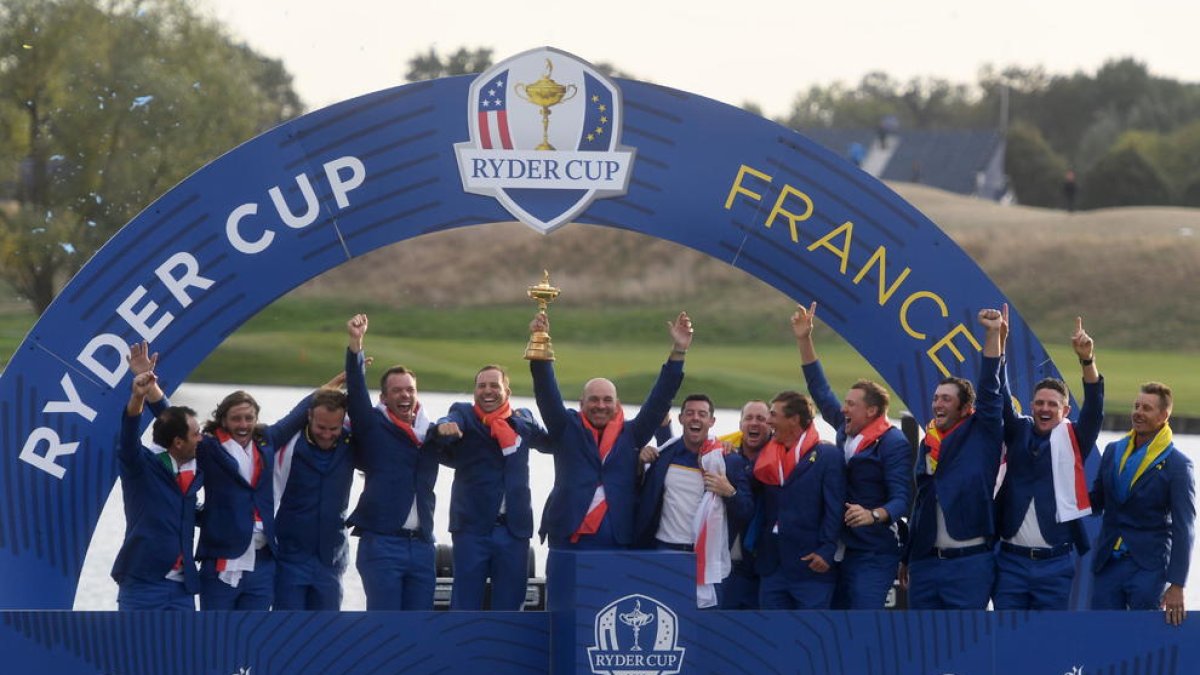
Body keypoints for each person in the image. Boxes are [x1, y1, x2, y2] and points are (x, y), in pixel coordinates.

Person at [530, 310, 692, 551]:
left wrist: (678, 352)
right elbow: (546, 393)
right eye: (594, 400)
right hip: (568, 537)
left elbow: (660, 400)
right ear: (581, 403)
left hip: (618, 539)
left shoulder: (632, 434)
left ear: (617, 405)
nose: (600, 406)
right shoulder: (566, 428)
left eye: (607, 400)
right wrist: (539, 344)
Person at [791, 302, 912, 609]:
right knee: (834, 625)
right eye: (844, 403)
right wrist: (805, 340)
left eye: (851, 404)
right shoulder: (847, 429)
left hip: (873, 552)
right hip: (838, 549)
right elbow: (819, 389)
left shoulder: (892, 442)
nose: (842, 409)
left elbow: (902, 499)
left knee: (860, 624)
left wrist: (873, 514)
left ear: (871, 411)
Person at [993, 315, 1104, 610]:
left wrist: (1087, 360)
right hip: (1010, 562)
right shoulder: (1017, 431)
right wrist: (999, 343)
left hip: (1054, 565)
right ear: (1031, 406)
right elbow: (1000, 396)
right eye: (1039, 403)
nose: (1044, 408)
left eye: (1052, 404)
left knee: (1047, 645)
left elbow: (1094, 409)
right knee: (1005, 639)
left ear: (1065, 409)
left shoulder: (1074, 439)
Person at [901, 308, 1004, 610]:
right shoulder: (930, 439)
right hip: (925, 563)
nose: (937, 404)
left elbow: (990, 389)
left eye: (946, 398)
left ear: (965, 407)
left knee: (965, 645)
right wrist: (908, 555)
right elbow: (921, 501)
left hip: (968, 563)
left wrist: (992, 334)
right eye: (935, 398)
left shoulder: (982, 433)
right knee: (922, 646)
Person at [427, 365, 549, 610]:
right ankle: (462, 648)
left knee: (511, 607)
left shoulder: (523, 419)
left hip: (514, 530)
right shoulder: (464, 414)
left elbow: (553, 443)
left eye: (494, 385)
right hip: (473, 530)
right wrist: (443, 427)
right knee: (465, 605)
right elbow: (448, 422)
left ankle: (505, 650)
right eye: (482, 385)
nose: (487, 391)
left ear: (507, 390)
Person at [343, 313, 440, 610]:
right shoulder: (373, 425)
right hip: (382, 544)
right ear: (384, 398)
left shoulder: (431, 432)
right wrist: (356, 344)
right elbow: (357, 393)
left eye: (410, 389)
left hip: (422, 545)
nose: (405, 395)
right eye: (397, 390)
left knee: (420, 628)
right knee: (385, 628)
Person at [194, 384, 313, 610]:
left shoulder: (266, 440)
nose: (243, 425)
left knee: (254, 638)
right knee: (215, 638)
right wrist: (151, 393)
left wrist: (334, 385)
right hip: (222, 559)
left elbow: (297, 416)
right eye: (236, 418)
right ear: (224, 420)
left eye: (249, 418)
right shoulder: (209, 447)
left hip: (262, 563)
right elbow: (172, 423)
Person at [1091, 382, 1195, 626]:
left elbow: (1185, 528)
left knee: (1142, 636)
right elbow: (1097, 500)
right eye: (1136, 406)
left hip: (1149, 567)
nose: (1138, 412)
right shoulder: (1112, 451)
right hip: (1109, 563)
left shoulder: (1178, 465)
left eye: (1146, 408)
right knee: (1100, 633)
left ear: (1164, 416)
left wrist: (1177, 584)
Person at [634, 394, 752, 608]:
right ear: (681, 419)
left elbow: (746, 511)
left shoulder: (729, 460)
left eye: (702, 414)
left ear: (712, 421)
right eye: (690, 413)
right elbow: (638, 494)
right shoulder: (664, 455)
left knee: (705, 629)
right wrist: (639, 464)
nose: (695, 418)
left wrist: (730, 492)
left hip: (710, 558)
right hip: (665, 552)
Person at [112, 343, 202, 611]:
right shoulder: (141, 467)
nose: (202, 439)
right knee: (137, 654)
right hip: (143, 584)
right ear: (177, 442)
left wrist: (152, 387)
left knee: (185, 655)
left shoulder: (193, 463)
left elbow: (171, 419)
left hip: (183, 587)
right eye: (197, 434)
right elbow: (128, 440)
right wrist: (138, 397)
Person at [753, 391, 846, 609]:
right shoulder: (767, 455)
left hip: (811, 566)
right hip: (772, 566)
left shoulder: (827, 456)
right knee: (771, 637)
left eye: (774, 415)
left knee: (810, 638)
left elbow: (835, 508)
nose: (768, 421)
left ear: (794, 419)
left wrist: (826, 550)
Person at [272, 386, 356, 610]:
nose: (327, 434)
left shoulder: (353, 443)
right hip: (290, 557)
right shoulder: (288, 445)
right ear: (308, 416)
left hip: (331, 558)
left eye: (333, 428)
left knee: (326, 635)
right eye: (320, 427)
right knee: (288, 632)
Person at [716, 400, 771, 609]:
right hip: (728, 562)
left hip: (765, 565)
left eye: (761, 419)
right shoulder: (723, 455)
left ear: (771, 424)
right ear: (740, 425)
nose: (754, 423)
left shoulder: (784, 456)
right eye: (748, 418)